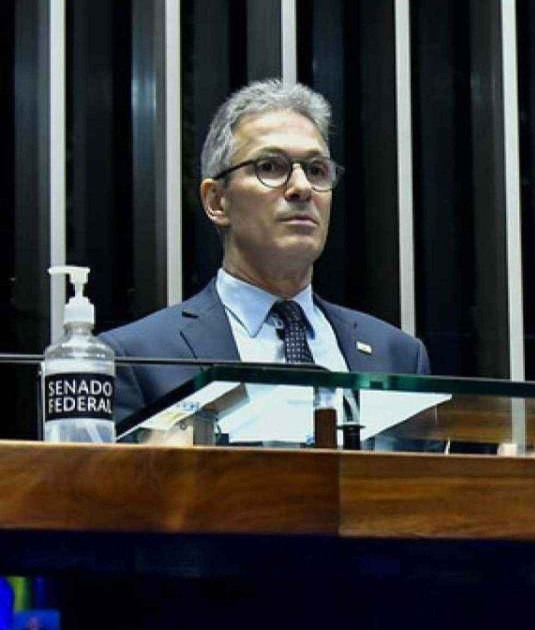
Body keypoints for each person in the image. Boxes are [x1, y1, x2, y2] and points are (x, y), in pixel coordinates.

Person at [101, 80, 429, 423]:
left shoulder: (400, 357)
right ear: (217, 201)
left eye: (317, 170)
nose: (302, 188)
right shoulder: (136, 359)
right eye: (270, 167)